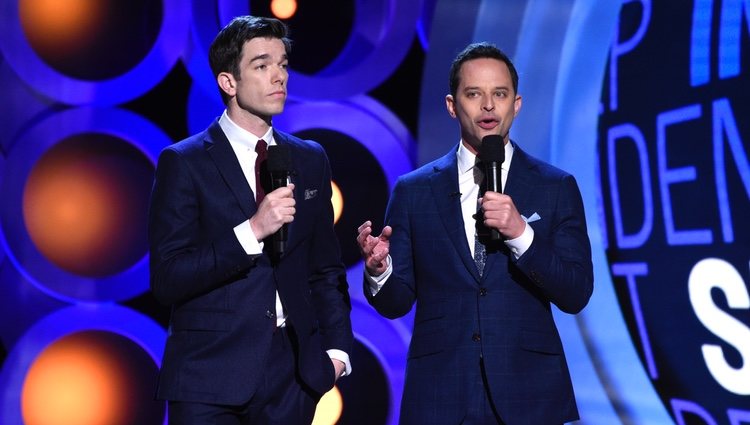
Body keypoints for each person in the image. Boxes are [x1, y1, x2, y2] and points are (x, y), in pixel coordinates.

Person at [357, 42, 593, 424]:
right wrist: (380, 270)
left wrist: (520, 234)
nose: (488, 106)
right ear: (452, 105)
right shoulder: (414, 190)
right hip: (441, 394)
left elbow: (576, 291)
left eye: (499, 94)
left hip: (530, 394)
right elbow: (396, 302)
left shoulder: (555, 187)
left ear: (516, 104)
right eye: (474, 94)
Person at [149, 15, 352, 424]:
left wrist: (337, 355)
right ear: (229, 82)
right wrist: (252, 231)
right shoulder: (184, 162)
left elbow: (326, 268)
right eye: (262, 66)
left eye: (282, 65)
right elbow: (169, 276)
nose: (278, 77)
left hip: (292, 379)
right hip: (209, 377)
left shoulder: (309, 158)